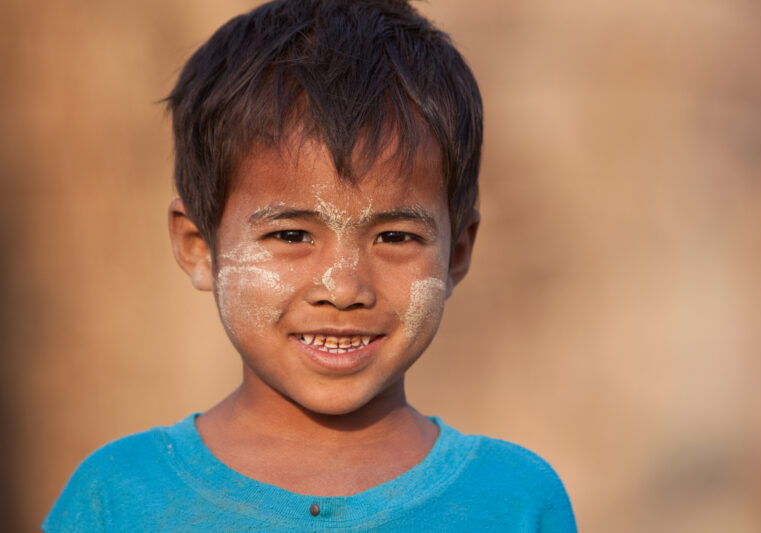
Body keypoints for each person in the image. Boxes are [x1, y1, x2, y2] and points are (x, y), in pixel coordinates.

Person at [44, 1, 577, 530]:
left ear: (457, 252)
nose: (343, 288)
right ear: (199, 246)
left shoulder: (514, 500)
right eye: (291, 234)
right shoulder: (118, 496)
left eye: (395, 236)